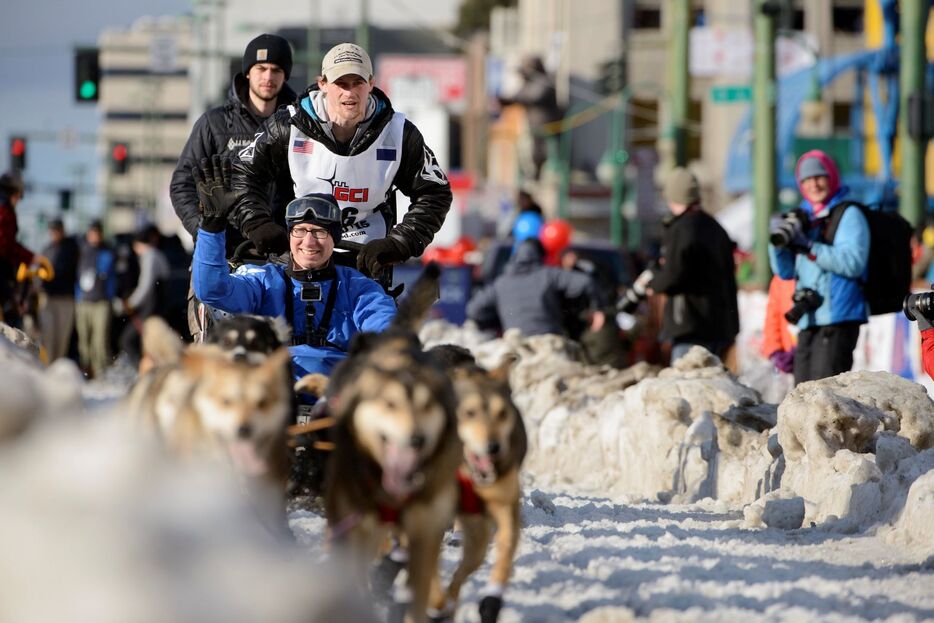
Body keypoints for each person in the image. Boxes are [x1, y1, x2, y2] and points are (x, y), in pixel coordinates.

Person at [227, 42, 452, 283]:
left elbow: (434, 193)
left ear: (371, 84)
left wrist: (400, 242)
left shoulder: (398, 133)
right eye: (341, 84)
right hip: (302, 253)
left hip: (365, 259)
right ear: (323, 84)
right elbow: (243, 173)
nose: (349, 93)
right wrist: (257, 222)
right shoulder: (289, 125)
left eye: (358, 83)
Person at [191, 156, 396, 380]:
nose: (309, 242)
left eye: (320, 232)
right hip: (272, 393)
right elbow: (212, 290)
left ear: (334, 239)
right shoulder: (263, 281)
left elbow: (387, 330)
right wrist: (212, 226)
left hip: (338, 393)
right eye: (300, 231)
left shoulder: (358, 288)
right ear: (289, 236)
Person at [171, 34, 297, 342]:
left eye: (276, 71)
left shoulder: (298, 124)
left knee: (278, 350)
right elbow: (182, 184)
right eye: (261, 68)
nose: (268, 77)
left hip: (278, 258)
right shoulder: (214, 123)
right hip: (222, 256)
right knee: (211, 349)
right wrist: (206, 233)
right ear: (247, 73)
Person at [769, 150, 869, 385]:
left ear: (832, 176)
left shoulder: (849, 214)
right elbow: (784, 273)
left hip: (838, 317)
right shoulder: (803, 217)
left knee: (827, 396)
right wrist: (776, 245)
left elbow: (853, 263)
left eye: (819, 177)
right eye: (806, 179)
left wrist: (809, 247)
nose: (813, 184)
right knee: (802, 396)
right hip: (808, 318)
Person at [648, 167, 739, 364]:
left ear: (672, 196)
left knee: (685, 383)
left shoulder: (681, 229)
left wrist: (654, 280)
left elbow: (673, 276)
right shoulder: (715, 226)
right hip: (719, 324)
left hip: (689, 324)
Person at [466, 237, 605, 338]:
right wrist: (597, 309)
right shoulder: (550, 275)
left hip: (516, 344)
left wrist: (499, 320)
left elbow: (473, 310)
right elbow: (586, 282)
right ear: (540, 256)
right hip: (550, 344)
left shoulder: (500, 283)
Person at [496, 56, 563, 180]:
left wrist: (515, 99)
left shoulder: (544, 81)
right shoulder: (528, 84)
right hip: (534, 126)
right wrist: (505, 101)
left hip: (548, 124)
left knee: (550, 150)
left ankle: (557, 171)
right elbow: (517, 95)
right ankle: (537, 172)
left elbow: (535, 96)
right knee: (535, 151)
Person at [0, 171, 52, 327]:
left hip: (5, 271)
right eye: (18, 195)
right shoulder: (3, 211)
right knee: (11, 317)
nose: (19, 200)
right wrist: (33, 258)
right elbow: (4, 244)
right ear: (13, 193)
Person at [116, 226, 171, 366]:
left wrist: (130, 303)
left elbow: (146, 287)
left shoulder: (150, 256)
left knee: (127, 340)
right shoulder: (156, 254)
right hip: (157, 307)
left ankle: (143, 371)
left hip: (152, 309)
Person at [75, 220, 117, 378]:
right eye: (92, 233)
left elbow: (111, 277)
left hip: (101, 301)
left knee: (100, 339)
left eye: (97, 233)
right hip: (83, 301)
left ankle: (100, 370)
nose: (95, 236)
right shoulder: (81, 251)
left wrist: (111, 297)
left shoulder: (107, 252)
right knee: (84, 339)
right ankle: (86, 369)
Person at [38, 219, 79, 362]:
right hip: (49, 297)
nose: (54, 233)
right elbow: (39, 272)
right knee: (48, 336)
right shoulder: (46, 250)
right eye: (52, 231)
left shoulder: (71, 247)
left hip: (66, 298)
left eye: (57, 230)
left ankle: (57, 367)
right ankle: (48, 366)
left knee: (62, 338)